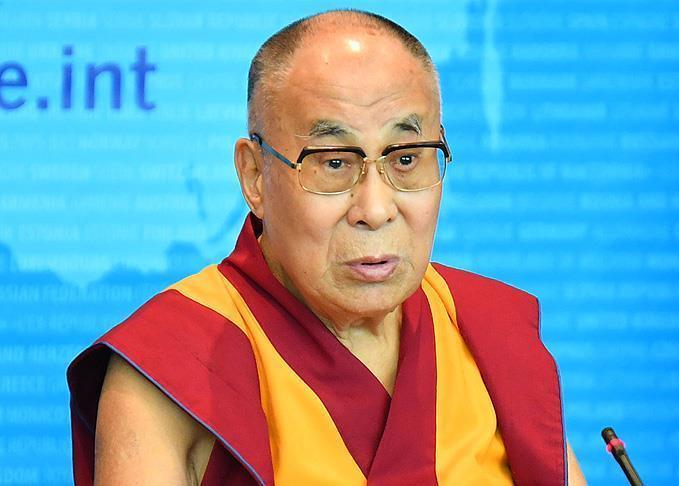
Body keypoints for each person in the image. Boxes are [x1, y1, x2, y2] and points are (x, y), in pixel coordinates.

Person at [67, 10, 587, 485]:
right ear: (254, 176)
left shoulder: (487, 334)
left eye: (406, 159)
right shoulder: (174, 364)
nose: (375, 209)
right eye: (334, 163)